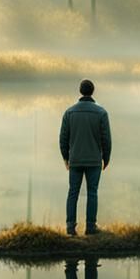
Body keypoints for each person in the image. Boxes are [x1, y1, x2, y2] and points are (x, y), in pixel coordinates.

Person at [59, 78, 111, 236]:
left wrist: (65, 158)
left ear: (80, 91)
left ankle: (70, 227)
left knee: (72, 192)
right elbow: (106, 139)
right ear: (92, 91)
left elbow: (63, 138)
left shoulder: (69, 112)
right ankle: (90, 227)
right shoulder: (101, 113)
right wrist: (106, 158)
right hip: (94, 160)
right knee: (92, 192)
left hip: (75, 159)